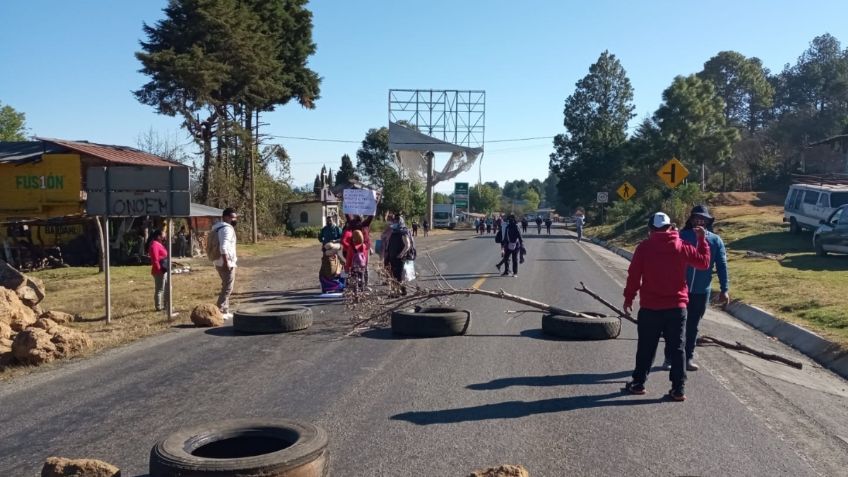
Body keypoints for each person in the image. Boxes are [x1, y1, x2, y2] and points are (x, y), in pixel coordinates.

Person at [623, 212, 710, 402]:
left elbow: (634, 276)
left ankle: (638, 384)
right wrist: (702, 240)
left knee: (646, 346)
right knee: (678, 347)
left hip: (650, 307)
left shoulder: (644, 247)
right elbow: (703, 263)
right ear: (670, 227)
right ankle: (678, 389)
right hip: (677, 307)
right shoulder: (681, 246)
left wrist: (629, 298)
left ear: (650, 229)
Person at [663, 205, 730, 372]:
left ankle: (688, 357)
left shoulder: (715, 241)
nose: (699, 221)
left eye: (703, 219)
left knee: (693, 326)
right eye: (696, 218)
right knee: (674, 325)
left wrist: (724, 289)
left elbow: (722, 266)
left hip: (701, 291)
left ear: (708, 221)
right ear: (691, 220)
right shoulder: (681, 236)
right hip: (679, 290)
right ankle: (669, 357)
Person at [211, 208, 238, 320]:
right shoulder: (227, 229)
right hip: (225, 262)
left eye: (235, 217)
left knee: (225, 285)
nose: (234, 219)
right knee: (228, 287)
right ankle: (220, 310)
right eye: (232, 217)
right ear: (226, 217)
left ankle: (225, 310)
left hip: (218, 261)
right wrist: (227, 262)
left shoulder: (217, 227)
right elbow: (223, 246)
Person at [385, 215, 413, 296]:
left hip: (399, 258)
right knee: (394, 275)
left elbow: (407, 245)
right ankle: (402, 290)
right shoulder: (393, 232)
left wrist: (401, 254)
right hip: (392, 257)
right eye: (394, 221)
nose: (394, 223)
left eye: (396, 222)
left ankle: (397, 292)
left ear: (400, 222)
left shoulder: (403, 232)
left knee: (398, 275)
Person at [147, 229, 170, 312]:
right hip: (159, 270)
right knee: (160, 289)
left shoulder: (159, 244)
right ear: (158, 236)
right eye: (163, 234)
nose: (164, 236)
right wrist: (159, 269)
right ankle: (158, 307)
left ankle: (167, 305)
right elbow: (155, 259)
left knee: (168, 287)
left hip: (164, 269)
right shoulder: (154, 245)